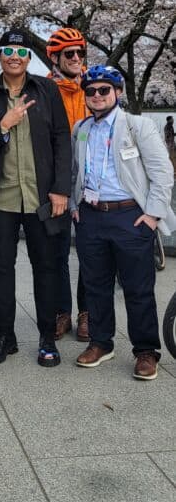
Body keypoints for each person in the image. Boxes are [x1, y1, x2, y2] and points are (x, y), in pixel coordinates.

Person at [0, 29, 71, 368]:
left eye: (21, 51)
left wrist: (61, 188)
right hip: (2, 198)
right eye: (8, 50)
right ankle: (4, 336)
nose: (14, 56)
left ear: (29, 57)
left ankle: (46, 339)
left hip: (41, 196)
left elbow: (61, 139)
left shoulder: (47, 89)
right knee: (1, 268)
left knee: (45, 267)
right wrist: (3, 126)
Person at [71, 65, 176, 380]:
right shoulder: (82, 128)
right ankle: (101, 343)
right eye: (91, 91)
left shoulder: (137, 126)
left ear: (117, 92)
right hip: (91, 216)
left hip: (130, 216)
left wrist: (153, 215)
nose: (97, 96)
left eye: (104, 90)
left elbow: (162, 171)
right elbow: (76, 171)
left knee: (138, 287)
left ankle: (146, 351)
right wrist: (76, 205)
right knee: (95, 286)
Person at [46, 27, 89, 342]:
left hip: (91, 183)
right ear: (56, 58)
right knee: (57, 253)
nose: (76, 59)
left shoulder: (97, 87)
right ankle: (61, 312)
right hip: (58, 181)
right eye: (69, 54)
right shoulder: (45, 90)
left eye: (80, 53)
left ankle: (87, 313)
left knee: (90, 253)